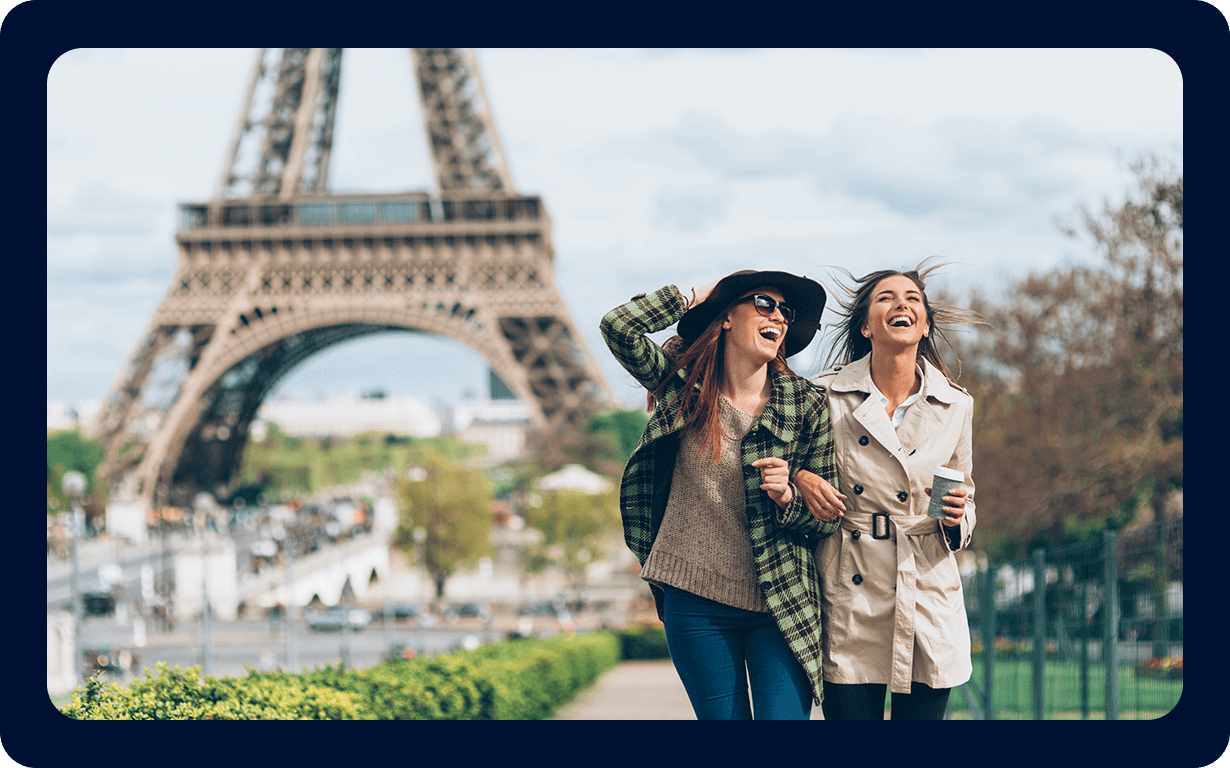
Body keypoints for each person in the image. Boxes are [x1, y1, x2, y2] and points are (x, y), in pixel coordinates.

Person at [599, 270, 840, 720]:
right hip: (694, 600)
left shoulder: (806, 404)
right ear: (727, 316)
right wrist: (693, 296)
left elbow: (829, 517)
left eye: (786, 311)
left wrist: (789, 497)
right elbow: (618, 326)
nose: (779, 317)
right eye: (764, 304)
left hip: (780, 598)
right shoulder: (682, 385)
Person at [793, 259, 986, 720]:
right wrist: (802, 480)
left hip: (926, 583)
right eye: (886, 298)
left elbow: (966, 490)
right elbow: (787, 465)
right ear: (865, 326)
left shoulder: (957, 405)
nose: (901, 304)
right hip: (851, 584)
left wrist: (959, 515)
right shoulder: (823, 394)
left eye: (912, 299)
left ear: (923, 327)